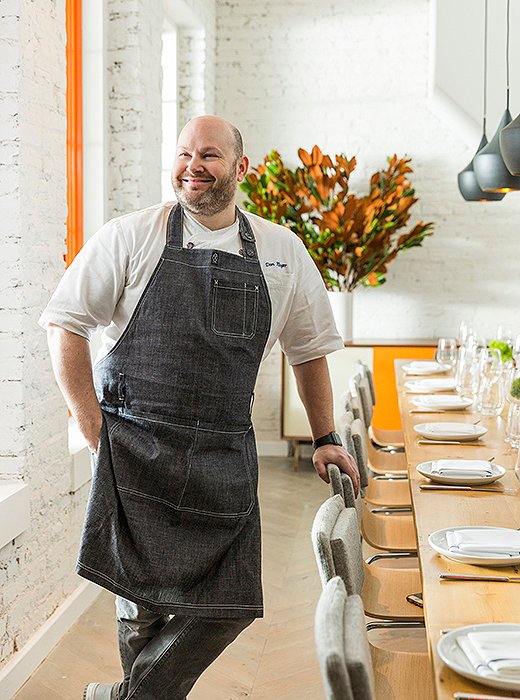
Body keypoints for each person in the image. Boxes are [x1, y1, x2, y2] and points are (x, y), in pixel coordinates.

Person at [40, 115, 360, 700]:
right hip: (135, 449)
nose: (192, 166)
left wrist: (324, 437)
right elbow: (65, 324)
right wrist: (92, 429)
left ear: (240, 168)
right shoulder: (130, 236)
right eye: (185, 153)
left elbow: (310, 351)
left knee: (231, 603)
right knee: (140, 610)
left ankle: (121, 697)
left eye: (209, 155)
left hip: (223, 452)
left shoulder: (281, 251)